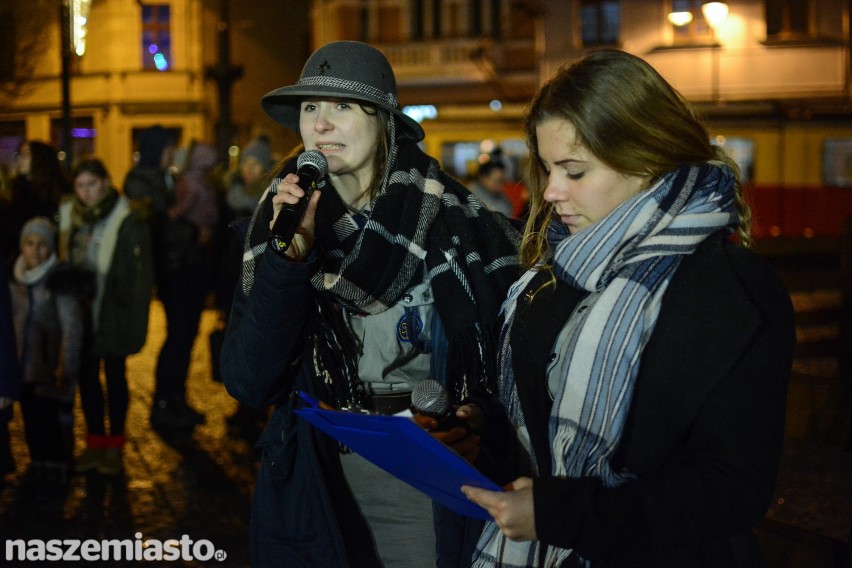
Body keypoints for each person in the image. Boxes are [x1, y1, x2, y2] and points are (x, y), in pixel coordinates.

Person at [458, 49, 797, 567]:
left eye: (574, 171)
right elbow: (535, 413)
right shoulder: (557, 268)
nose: (550, 192)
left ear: (645, 159)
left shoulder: (730, 289)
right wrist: (476, 423)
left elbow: (731, 490)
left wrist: (560, 512)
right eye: (548, 169)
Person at [220, 40, 521, 567]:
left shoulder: (458, 222)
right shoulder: (277, 223)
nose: (321, 124)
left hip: (431, 485)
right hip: (321, 484)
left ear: (383, 119)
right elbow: (250, 382)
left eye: (341, 107)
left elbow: (510, 365)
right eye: (310, 108)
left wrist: (479, 417)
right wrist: (289, 262)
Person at [58, 158, 154, 475]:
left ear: (105, 182)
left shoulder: (126, 217)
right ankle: (95, 443)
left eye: (92, 184)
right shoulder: (69, 215)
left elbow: (138, 276)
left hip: (113, 309)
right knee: (86, 378)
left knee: (114, 376)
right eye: (80, 186)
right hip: (82, 310)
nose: (86, 193)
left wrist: (131, 314)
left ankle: (115, 445)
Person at [8, 217, 86, 484]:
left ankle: (55, 467)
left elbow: (72, 329)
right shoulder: (14, 279)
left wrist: (66, 367)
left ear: (52, 248)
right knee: (30, 418)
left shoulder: (60, 280)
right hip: (22, 365)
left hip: (49, 367)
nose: (35, 250)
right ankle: (38, 464)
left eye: (43, 244)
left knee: (49, 420)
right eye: (29, 243)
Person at [148, 140, 220, 431]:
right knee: (179, 336)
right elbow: (169, 221)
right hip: (180, 270)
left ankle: (176, 398)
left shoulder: (189, 181)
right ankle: (165, 401)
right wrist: (195, 231)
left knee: (186, 336)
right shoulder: (189, 185)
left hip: (190, 269)